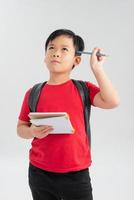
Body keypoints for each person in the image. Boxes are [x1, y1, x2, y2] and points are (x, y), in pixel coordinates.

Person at [17, 29, 120, 200]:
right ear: (44, 57)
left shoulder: (83, 89)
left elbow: (112, 101)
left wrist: (97, 69)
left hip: (76, 174)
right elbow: (20, 128)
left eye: (64, 49)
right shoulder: (33, 92)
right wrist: (32, 132)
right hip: (39, 173)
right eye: (51, 48)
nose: (56, 53)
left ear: (77, 59)